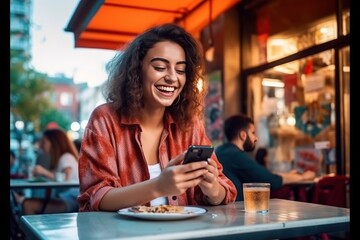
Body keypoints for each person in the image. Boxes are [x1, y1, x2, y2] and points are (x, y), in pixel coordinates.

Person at [77, 23, 237, 212]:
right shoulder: (105, 119)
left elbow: (225, 191)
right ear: (137, 71)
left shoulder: (190, 125)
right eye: (160, 67)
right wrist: (158, 186)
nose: (172, 78)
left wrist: (213, 189)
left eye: (180, 70)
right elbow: (96, 196)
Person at [215, 114, 315, 201]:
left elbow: (262, 174)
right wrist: (303, 177)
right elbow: (271, 180)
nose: (256, 138)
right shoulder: (235, 155)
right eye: (253, 133)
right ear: (243, 135)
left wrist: (288, 175)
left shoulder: (221, 151)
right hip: (235, 214)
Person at [22, 128, 80, 214]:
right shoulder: (61, 158)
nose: (41, 145)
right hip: (66, 198)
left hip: (72, 199)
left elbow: (65, 179)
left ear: (54, 143)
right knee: (27, 202)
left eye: (44, 142)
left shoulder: (66, 157)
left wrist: (43, 172)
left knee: (28, 204)